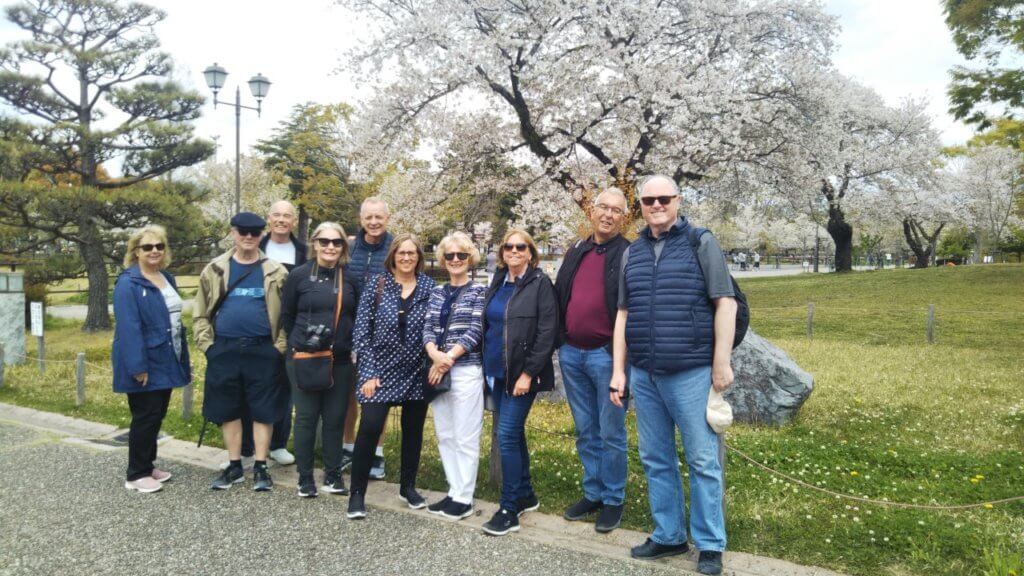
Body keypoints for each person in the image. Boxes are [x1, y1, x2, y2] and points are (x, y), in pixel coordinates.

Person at [610, 175, 737, 576]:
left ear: (678, 201)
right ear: (641, 206)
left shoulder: (701, 242)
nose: (656, 205)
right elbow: (623, 315)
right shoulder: (633, 253)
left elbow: (726, 303)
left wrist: (721, 362)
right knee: (655, 457)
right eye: (648, 200)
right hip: (645, 373)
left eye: (664, 198)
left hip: (692, 372)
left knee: (702, 460)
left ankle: (710, 543)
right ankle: (668, 535)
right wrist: (618, 371)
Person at [194, 212, 289, 492]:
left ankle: (261, 465)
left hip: (263, 349)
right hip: (224, 348)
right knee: (228, 409)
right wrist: (208, 346)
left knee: (264, 409)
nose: (248, 237)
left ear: (262, 235)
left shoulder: (275, 270)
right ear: (233, 233)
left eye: (255, 232)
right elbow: (199, 313)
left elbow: (286, 315)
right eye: (242, 232)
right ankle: (234, 464)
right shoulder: (214, 270)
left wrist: (279, 348)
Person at [553, 188, 630, 533]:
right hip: (571, 354)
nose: (608, 215)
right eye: (603, 208)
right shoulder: (577, 250)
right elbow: (560, 294)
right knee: (586, 430)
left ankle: (613, 499)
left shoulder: (629, 253)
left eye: (616, 210)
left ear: (624, 217)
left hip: (606, 356)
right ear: (592, 211)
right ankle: (593, 491)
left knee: (611, 431)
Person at [347, 233, 436, 519]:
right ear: (393, 257)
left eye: (412, 253)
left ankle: (407, 486)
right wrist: (368, 373)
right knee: (370, 427)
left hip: (414, 371)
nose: (407, 258)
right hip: (380, 370)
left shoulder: (429, 287)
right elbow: (361, 332)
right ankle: (357, 492)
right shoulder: (377, 284)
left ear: (419, 258)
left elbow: (435, 328)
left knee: (413, 431)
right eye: (402, 253)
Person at [480, 229, 558, 536]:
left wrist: (528, 374)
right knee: (512, 433)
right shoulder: (498, 281)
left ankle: (509, 508)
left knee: (507, 435)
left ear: (530, 252)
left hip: (522, 374)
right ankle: (525, 493)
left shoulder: (540, 284)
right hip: (497, 371)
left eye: (520, 246)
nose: (513, 250)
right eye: (508, 246)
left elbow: (546, 333)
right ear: (502, 252)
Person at [218, 199, 306, 470]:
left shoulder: (303, 252)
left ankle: (278, 443)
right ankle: (246, 448)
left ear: (294, 221)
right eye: (277, 215)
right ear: (268, 220)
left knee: (282, 389)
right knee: (246, 390)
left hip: (286, 330)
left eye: (287, 216)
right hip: (251, 334)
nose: (281, 220)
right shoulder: (255, 244)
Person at [280, 222, 359, 498]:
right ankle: (304, 477)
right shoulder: (298, 276)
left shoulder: (349, 278)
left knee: (335, 418)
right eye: (324, 241)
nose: (330, 247)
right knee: (306, 417)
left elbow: (355, 316)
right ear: (314, 244)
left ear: (343, 247)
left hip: (339, 360)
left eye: (336, 242)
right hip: (305, 358)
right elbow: (287, 315)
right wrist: (301, 342)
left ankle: (333, 473)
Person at [112, 225, 191, 493]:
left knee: (156, 415)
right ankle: (135, 474)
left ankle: (147, 465)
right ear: (136, 251)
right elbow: (128, 328)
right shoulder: (128, 283)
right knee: (145, 416)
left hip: (168, 356)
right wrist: (138, 366)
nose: (155, 251)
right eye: (147, 247)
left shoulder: (166, 277)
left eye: (159, 246)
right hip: (145, 361)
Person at [422, 232, 487, 520]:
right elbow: (428, 327)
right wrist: (434, 354)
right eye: (450, 256)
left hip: (465, 369)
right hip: (438, 369)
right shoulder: (437, 292)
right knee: (445, 434)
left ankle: (465, 497)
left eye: (461, 255)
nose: (456, 260)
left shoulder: (479, 291)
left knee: (465, 436)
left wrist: (448, 358)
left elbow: (476, 330)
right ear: (443, 260)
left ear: (470, 258)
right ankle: (453, 490)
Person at [343, 196, 395, 479]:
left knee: (377, 396)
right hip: (349, 328)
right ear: (361, 219)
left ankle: (376, 452)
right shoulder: (349, 248)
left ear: (387, 218)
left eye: (379, 217)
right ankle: (348, 446)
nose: (374, 222)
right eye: (368, 217)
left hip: (382, 332)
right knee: (348, 393)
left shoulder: (396, 247)